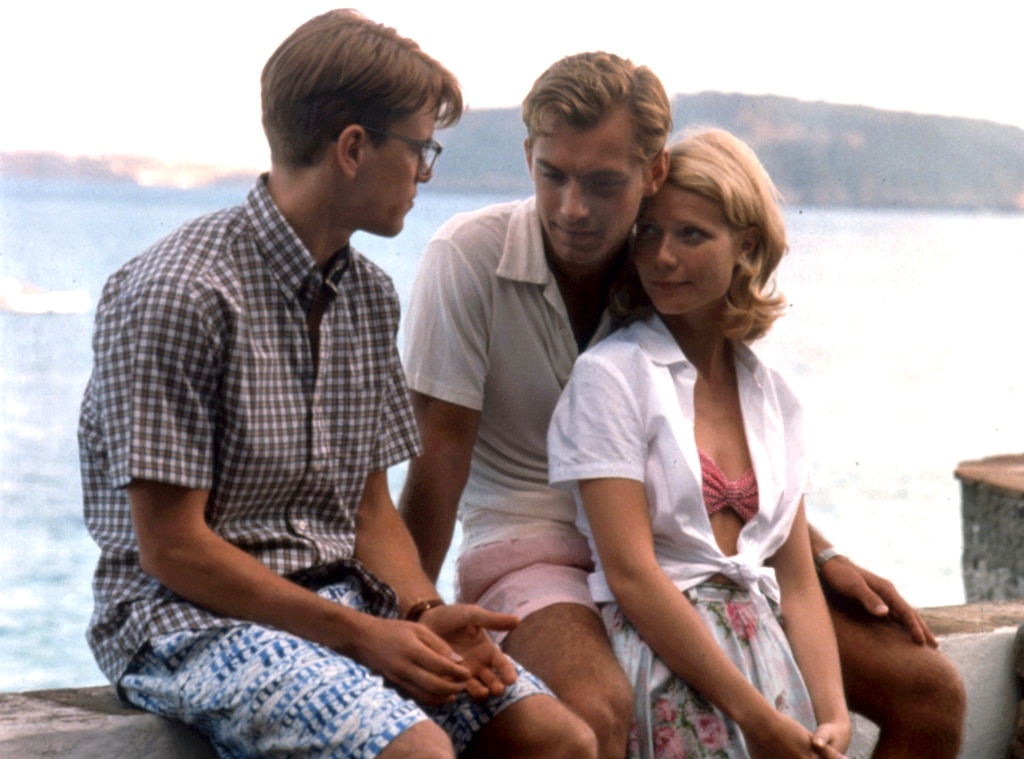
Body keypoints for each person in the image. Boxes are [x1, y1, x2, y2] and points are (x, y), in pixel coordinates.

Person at [399, 53, 965, 759]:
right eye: (553, 175)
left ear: (653, 171)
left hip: (674, 544)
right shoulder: (469, 256)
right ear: (527, 158)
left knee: (930, 689)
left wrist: (822, 554)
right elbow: (437, 463)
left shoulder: (660, 271)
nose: (573, 209)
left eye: (604, 183)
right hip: (535, 548)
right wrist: (412, 621)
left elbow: (709, 446)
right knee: (595, 711)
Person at [78, 10, 596, 759]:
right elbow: (172, 550)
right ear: (353, 148)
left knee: (556, 739)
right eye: (419, 149)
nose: (424, 173)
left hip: (336, 601)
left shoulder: (368, 295)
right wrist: (362, 635)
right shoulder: (180, 293)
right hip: (183, 621)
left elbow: (369, 508)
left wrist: (422, 611)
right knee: (417, 751)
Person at [548, 128, 850, 758]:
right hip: (667, 669)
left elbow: (796, 582)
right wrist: (755, 718)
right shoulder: (612, 376)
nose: (661, 257)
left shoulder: (775, 397)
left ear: (746, 246)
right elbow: (632, 575)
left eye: (691, 234)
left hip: (771, 672)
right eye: (648, 233)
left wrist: (834, 714)